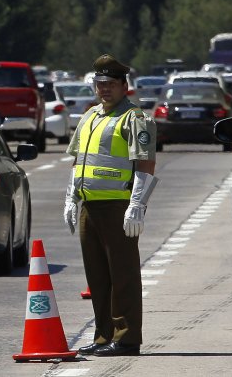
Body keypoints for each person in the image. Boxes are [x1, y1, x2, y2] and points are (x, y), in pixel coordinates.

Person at [63, 54, 159, 357]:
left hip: (118, 207)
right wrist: (71, 197)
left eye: (110, 84)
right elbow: (78, 161)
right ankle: (104, 335)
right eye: (99, 83)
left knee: (123, 275)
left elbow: (145, 164)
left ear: (123, 86)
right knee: (98, 277)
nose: (104, 89)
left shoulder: (135, 119)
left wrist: (137, 206)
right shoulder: (90, 116)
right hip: (90, 208)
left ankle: (127, 338)